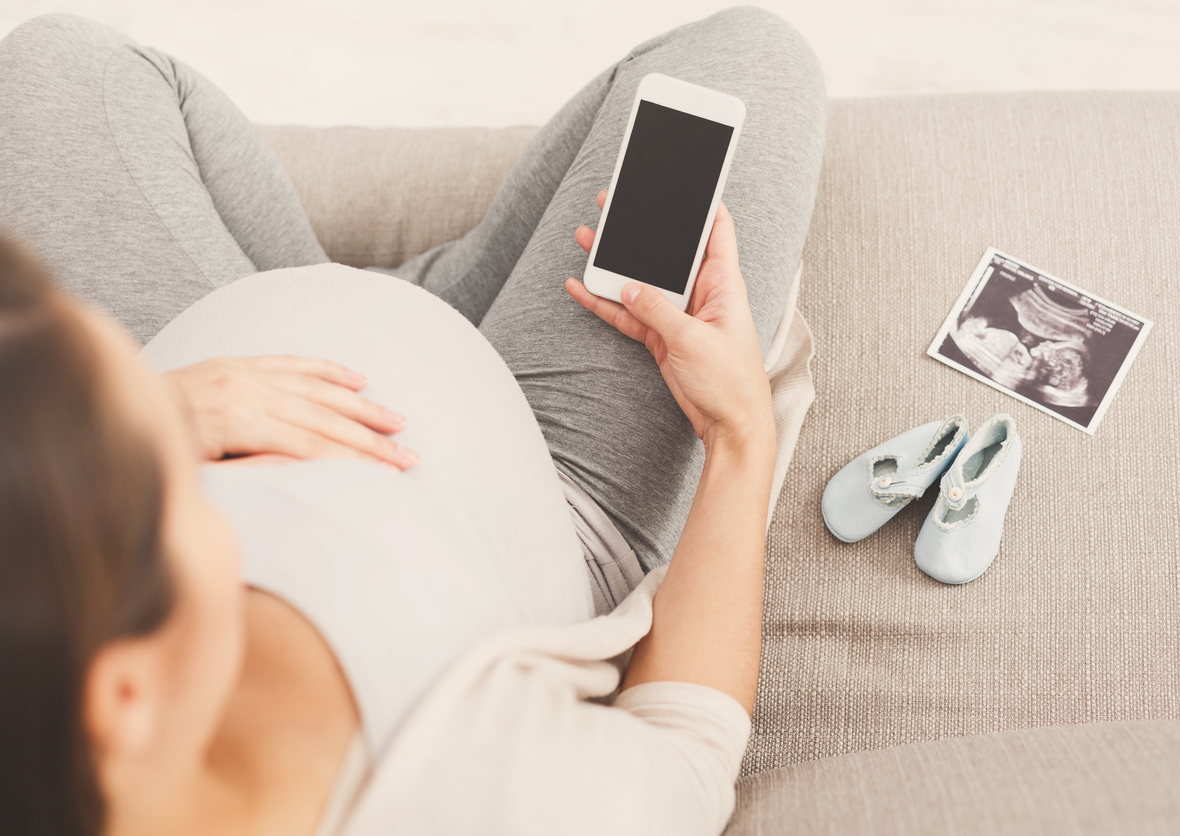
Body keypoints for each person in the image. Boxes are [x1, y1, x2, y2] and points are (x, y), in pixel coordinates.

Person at [0, 8, 825, 835]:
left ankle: (380, 291)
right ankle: (441, 302)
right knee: (750, 59)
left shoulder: (58, 659)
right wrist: (738, 434)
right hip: (545, 467)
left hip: (234, 333)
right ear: (125, 700)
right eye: (150, 476)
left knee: (56, 67)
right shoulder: (505, 803)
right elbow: (688, 747)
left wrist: (164, 409)